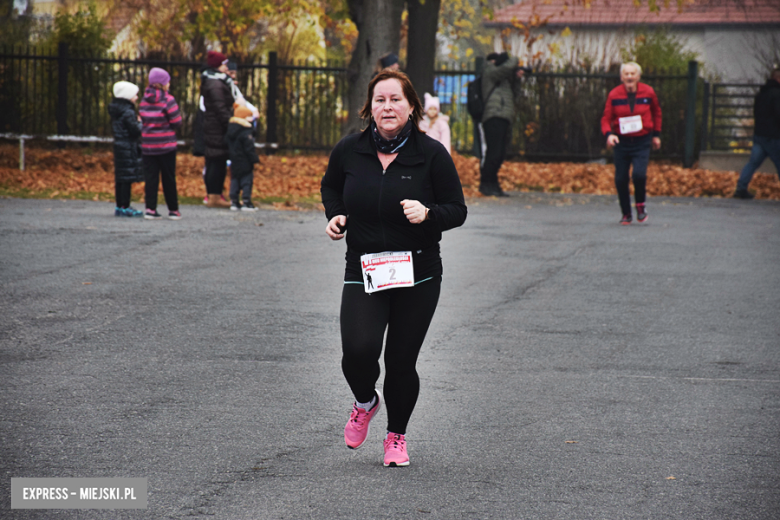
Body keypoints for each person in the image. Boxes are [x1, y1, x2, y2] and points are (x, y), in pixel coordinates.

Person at [321, 69, 467, 467]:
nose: (387, 107)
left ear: (411, 106)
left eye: (395, 100)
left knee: (401, 360)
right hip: (365, 266)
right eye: (380, 100)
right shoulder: (350, 150)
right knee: (357, 351)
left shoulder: (431, 153)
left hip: (418, 273)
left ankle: (396, 437)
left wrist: (429, 213)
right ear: (369, 107)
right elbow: (331, 186)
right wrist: (336, 215)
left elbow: (458, 210)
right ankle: (366, 400)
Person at [601, 61, 662, 225]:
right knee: (621, 178)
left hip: (642, 140)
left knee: (639, 175)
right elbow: (606, 118)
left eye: (632, 74)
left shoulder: (648, 92)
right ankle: (626, 213)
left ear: (638, 76)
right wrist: (609, 134)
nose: (629, 77)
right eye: (626, 74)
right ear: (621, 77)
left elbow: (657, 113)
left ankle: (641, 205)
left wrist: (656, 135)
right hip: (622, 142)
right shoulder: (614, 95)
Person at [479, 52, 525, 196]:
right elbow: (505, 68)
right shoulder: (489, 71)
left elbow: (515, 94)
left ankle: (493, 184)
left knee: (500, 153)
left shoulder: (504, 79)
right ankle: (486, 184)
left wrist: (516, 79)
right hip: (493, 116)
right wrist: (514, 60)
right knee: (494, 151)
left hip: (505, 116)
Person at [139, 67, 182, 220]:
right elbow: (177, 121)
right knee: (168, 177)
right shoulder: (168, 100)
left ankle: (150, 208)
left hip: (148, 145)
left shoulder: (143, 100)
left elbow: (142, 119)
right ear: (162, 84)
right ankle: (173, 209)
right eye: (167, 81)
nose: (169, 84)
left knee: (151, 178)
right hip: (166, 145)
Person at [733, 69, 780, 199]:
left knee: (753, 163)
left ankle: (741, 188)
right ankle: (741, 189)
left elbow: (756, 113)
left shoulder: (760, 94)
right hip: (774, 136)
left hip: (759, 135)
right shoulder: (777, 94)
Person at [201, 50, 236, 208]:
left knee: (216, 161)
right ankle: (214, 195)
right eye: (224, 64)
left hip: (215, 126)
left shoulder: (215, 81)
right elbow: (220, 107)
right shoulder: (215, 83)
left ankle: (214, 195)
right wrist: (229, 122)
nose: (226, 67)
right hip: (217, 128)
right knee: (216, 161)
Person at [108, 81, 144, 217]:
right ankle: (126, 205)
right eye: (135, 95)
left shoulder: (116, 110)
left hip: (119, 145)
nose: (136, 98)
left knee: (120, 177)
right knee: (127, 178)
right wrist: (140, 123)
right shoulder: (128, 112)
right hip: (128, 146)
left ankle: (120, 205)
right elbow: (134, 131)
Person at [225, 103, 260, 211]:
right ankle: (246, 201)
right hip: (245, 161)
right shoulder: (245, 133)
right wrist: (254, 159)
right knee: (246, 180)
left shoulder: (231, 131)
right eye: (250, 117)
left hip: (234, 160)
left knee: (235, 179)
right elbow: (249, 148)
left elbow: (226, 143)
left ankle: (234, 201)